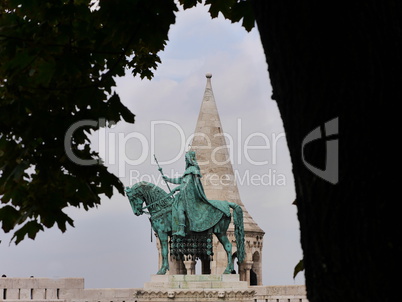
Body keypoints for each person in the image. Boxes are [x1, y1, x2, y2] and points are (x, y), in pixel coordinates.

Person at [163, 151, 230, 237]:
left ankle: (181, 230)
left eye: (186, 159)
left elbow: (188, 185)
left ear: (190, 159)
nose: (185, 161)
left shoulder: (193, 170)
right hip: (184, 196)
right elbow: (181, 180)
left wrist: (177, 188)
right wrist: (168, 179)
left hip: (190, 198)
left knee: (180, 210)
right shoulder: (189, 171)